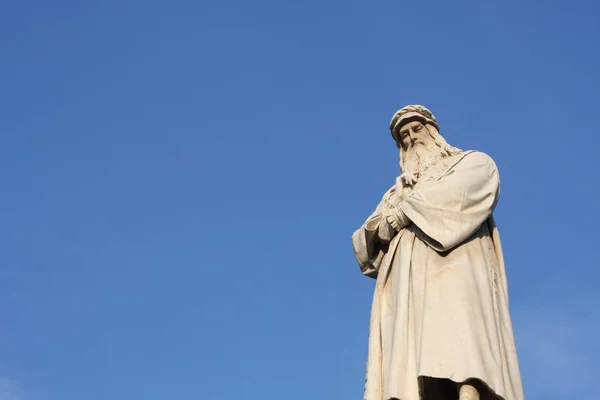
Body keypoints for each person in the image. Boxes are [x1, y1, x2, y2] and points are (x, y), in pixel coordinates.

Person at [352, 105, 525, 400]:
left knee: (463, 338)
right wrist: (386, 220)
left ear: (433, 130)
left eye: (416, 129)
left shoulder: (469, 162)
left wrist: (405, 213)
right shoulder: (395, 192)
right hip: (408, 282)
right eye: (403, 136)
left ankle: (470, 391)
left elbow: (470, 189)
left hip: (457, 266)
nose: (411, 139)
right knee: (416, 354)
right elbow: (364, 245)